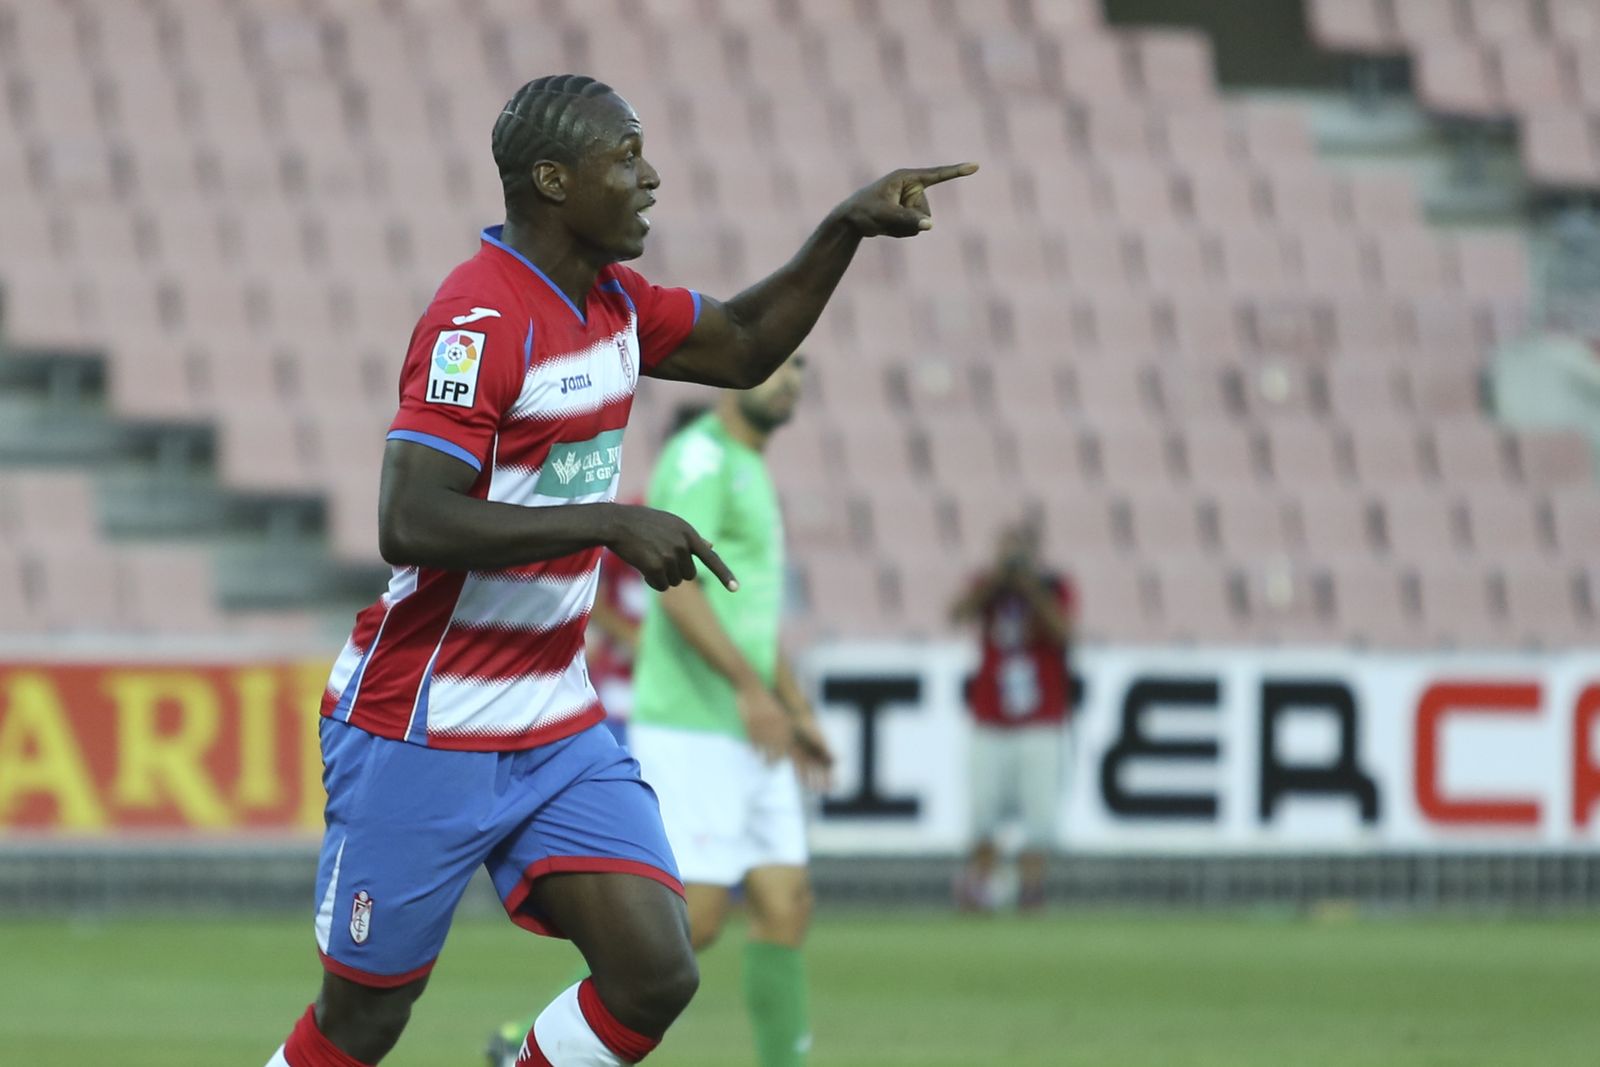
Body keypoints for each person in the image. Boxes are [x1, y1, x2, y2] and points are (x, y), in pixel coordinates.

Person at [261, 72, 973, 1067]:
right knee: (363, 1021)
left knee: (655, 970)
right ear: (553, 180)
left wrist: (843, 229)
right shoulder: (478, 319)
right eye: (625, 158)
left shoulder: (613, 304)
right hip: (420, 723)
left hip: (551, 718)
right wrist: (605, 520)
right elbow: (407, 516)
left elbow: (745, 342)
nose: (650, 177)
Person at [489, 359, 824, 1067]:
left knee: (785, 902)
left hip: (749, 719)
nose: (789, 378)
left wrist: (793, 706)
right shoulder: (699, 457)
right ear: (741, 374)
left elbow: (752, 619)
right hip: (695, 722)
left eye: (800, 368)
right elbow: (677, 588)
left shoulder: (749, 468)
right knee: (691, 920)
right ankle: (531, 1041)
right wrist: (752, 690)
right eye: (778, 365)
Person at [949, 516, 1074, 913]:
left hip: (1041, 721)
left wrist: (1030, 590)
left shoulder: (1054, 589)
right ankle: (981, 886)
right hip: (991, 720)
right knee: (982, 812)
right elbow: (957, 614)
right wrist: (997, 583)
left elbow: (1065, 634)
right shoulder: (986, 588)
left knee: (1040, 818)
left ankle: (1031, 890)